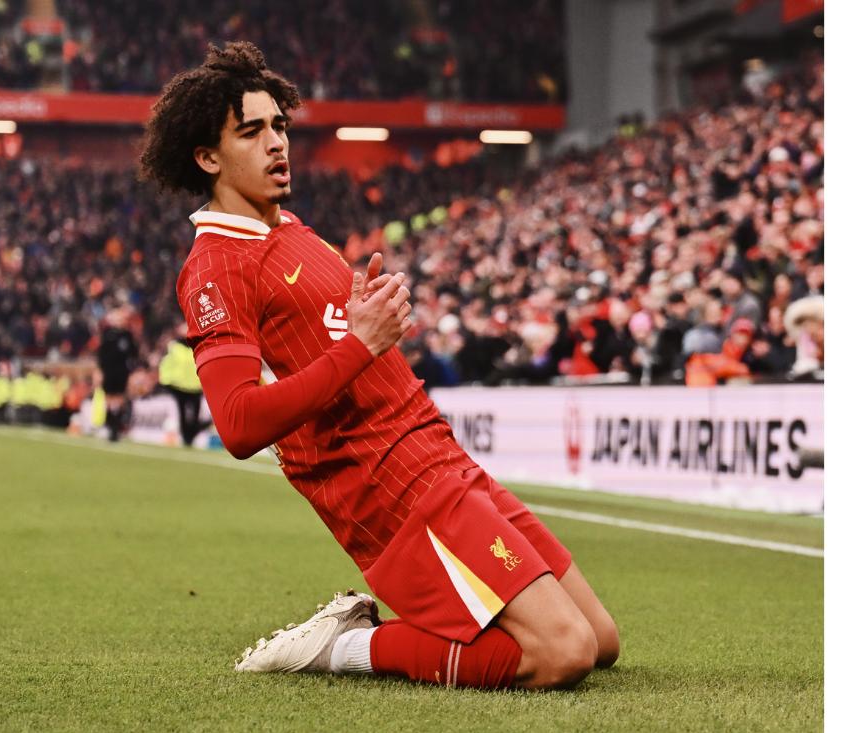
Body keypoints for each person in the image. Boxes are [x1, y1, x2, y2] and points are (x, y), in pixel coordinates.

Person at [138, 41, 618, 691]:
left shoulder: (291, 230)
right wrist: (360, 344)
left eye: (279, 125)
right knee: (563, 654)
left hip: (439, 457)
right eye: (250, 132)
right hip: (391, 491)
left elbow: (336, 342)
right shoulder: (216, 263)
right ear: (207, 157)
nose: (277, 143)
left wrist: (363, 323)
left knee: (602, 641)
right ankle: (346, 646)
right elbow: (240, 425)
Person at [96, 306, 139, 442]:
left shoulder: (128, 335)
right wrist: (99, 371)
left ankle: (116, 428)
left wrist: (132, 372)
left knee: (120, 398)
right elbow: (101, 355)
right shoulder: (107, 334)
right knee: (108, 398)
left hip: (122, 371)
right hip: (109, 370)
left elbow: (133, 355)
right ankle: (108, 424)